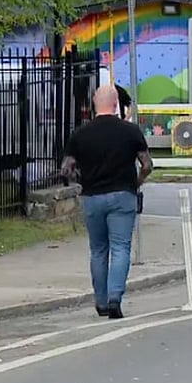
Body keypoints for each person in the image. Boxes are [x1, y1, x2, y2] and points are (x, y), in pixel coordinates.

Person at [60, 85, 152, 320]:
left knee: (98, 250)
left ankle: (100, 301)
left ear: (94, 102)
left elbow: (67, 169)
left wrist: (82, 180)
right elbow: (147, 165)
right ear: (115, 104)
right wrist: (136, 183)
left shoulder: (80, 133)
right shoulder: (130, 131)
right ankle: (115, 298)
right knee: (121, 248)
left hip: (92, 197)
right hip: (123, 194)